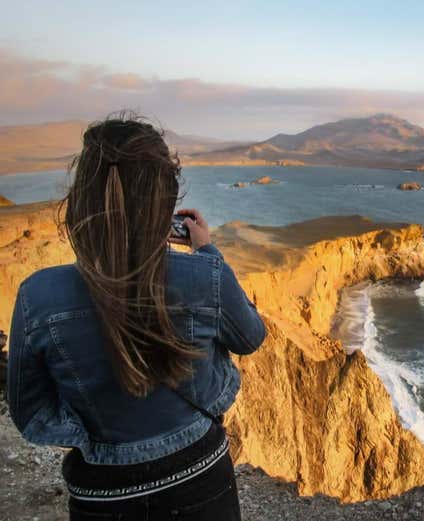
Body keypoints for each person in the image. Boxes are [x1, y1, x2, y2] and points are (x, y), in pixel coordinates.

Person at [6, 114, 266, 520]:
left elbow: (30, 410)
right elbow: (250, 337)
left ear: (83, 201)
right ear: (164, 204)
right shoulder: (204, 276)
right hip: (200, 473)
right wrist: (207, 253)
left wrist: (94, 440)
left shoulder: (37, 296)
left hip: (102, 493)